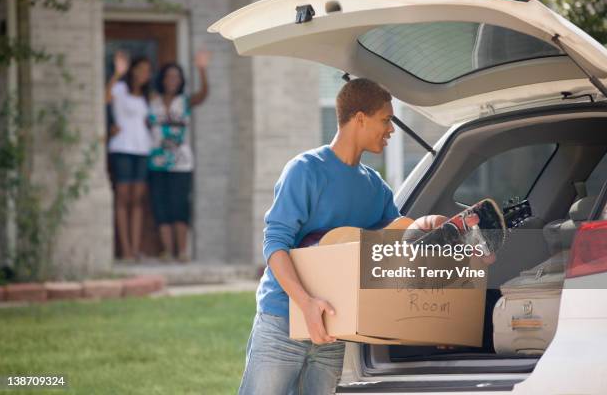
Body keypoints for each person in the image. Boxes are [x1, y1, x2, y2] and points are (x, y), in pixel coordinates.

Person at [238, 78, 457, 394]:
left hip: (333, 332)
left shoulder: (374, 186)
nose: (391, 129)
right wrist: (306, 303)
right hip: (282, 321)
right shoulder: (305, 170)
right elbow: (275, 243)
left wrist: (434, 224)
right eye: (386, 120)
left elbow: (399, 237)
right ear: (360, 118)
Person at [147, 50, 210, 262]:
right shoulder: (152, 102)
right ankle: (166, 251)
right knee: (160, 205)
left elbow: (203, 95)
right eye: (168, 76)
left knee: (179, 205)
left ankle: (182, 251)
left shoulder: (185, 101)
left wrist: (202, 69)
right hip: (155, 161)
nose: (172, 80)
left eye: (176, 76)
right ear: (162, 79)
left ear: (181, 80)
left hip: (181, 163)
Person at [105, 52, 153, 261]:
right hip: (122, 148)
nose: (144, 74)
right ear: (132, 70)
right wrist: (117, 74)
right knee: (122, 198)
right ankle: (124, 250)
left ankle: (134, 249)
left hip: (142, 149)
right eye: (141, 69)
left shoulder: (146, 96)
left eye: (148, 71)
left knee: (137, 200)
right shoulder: (120, 89)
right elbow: (105, 98)